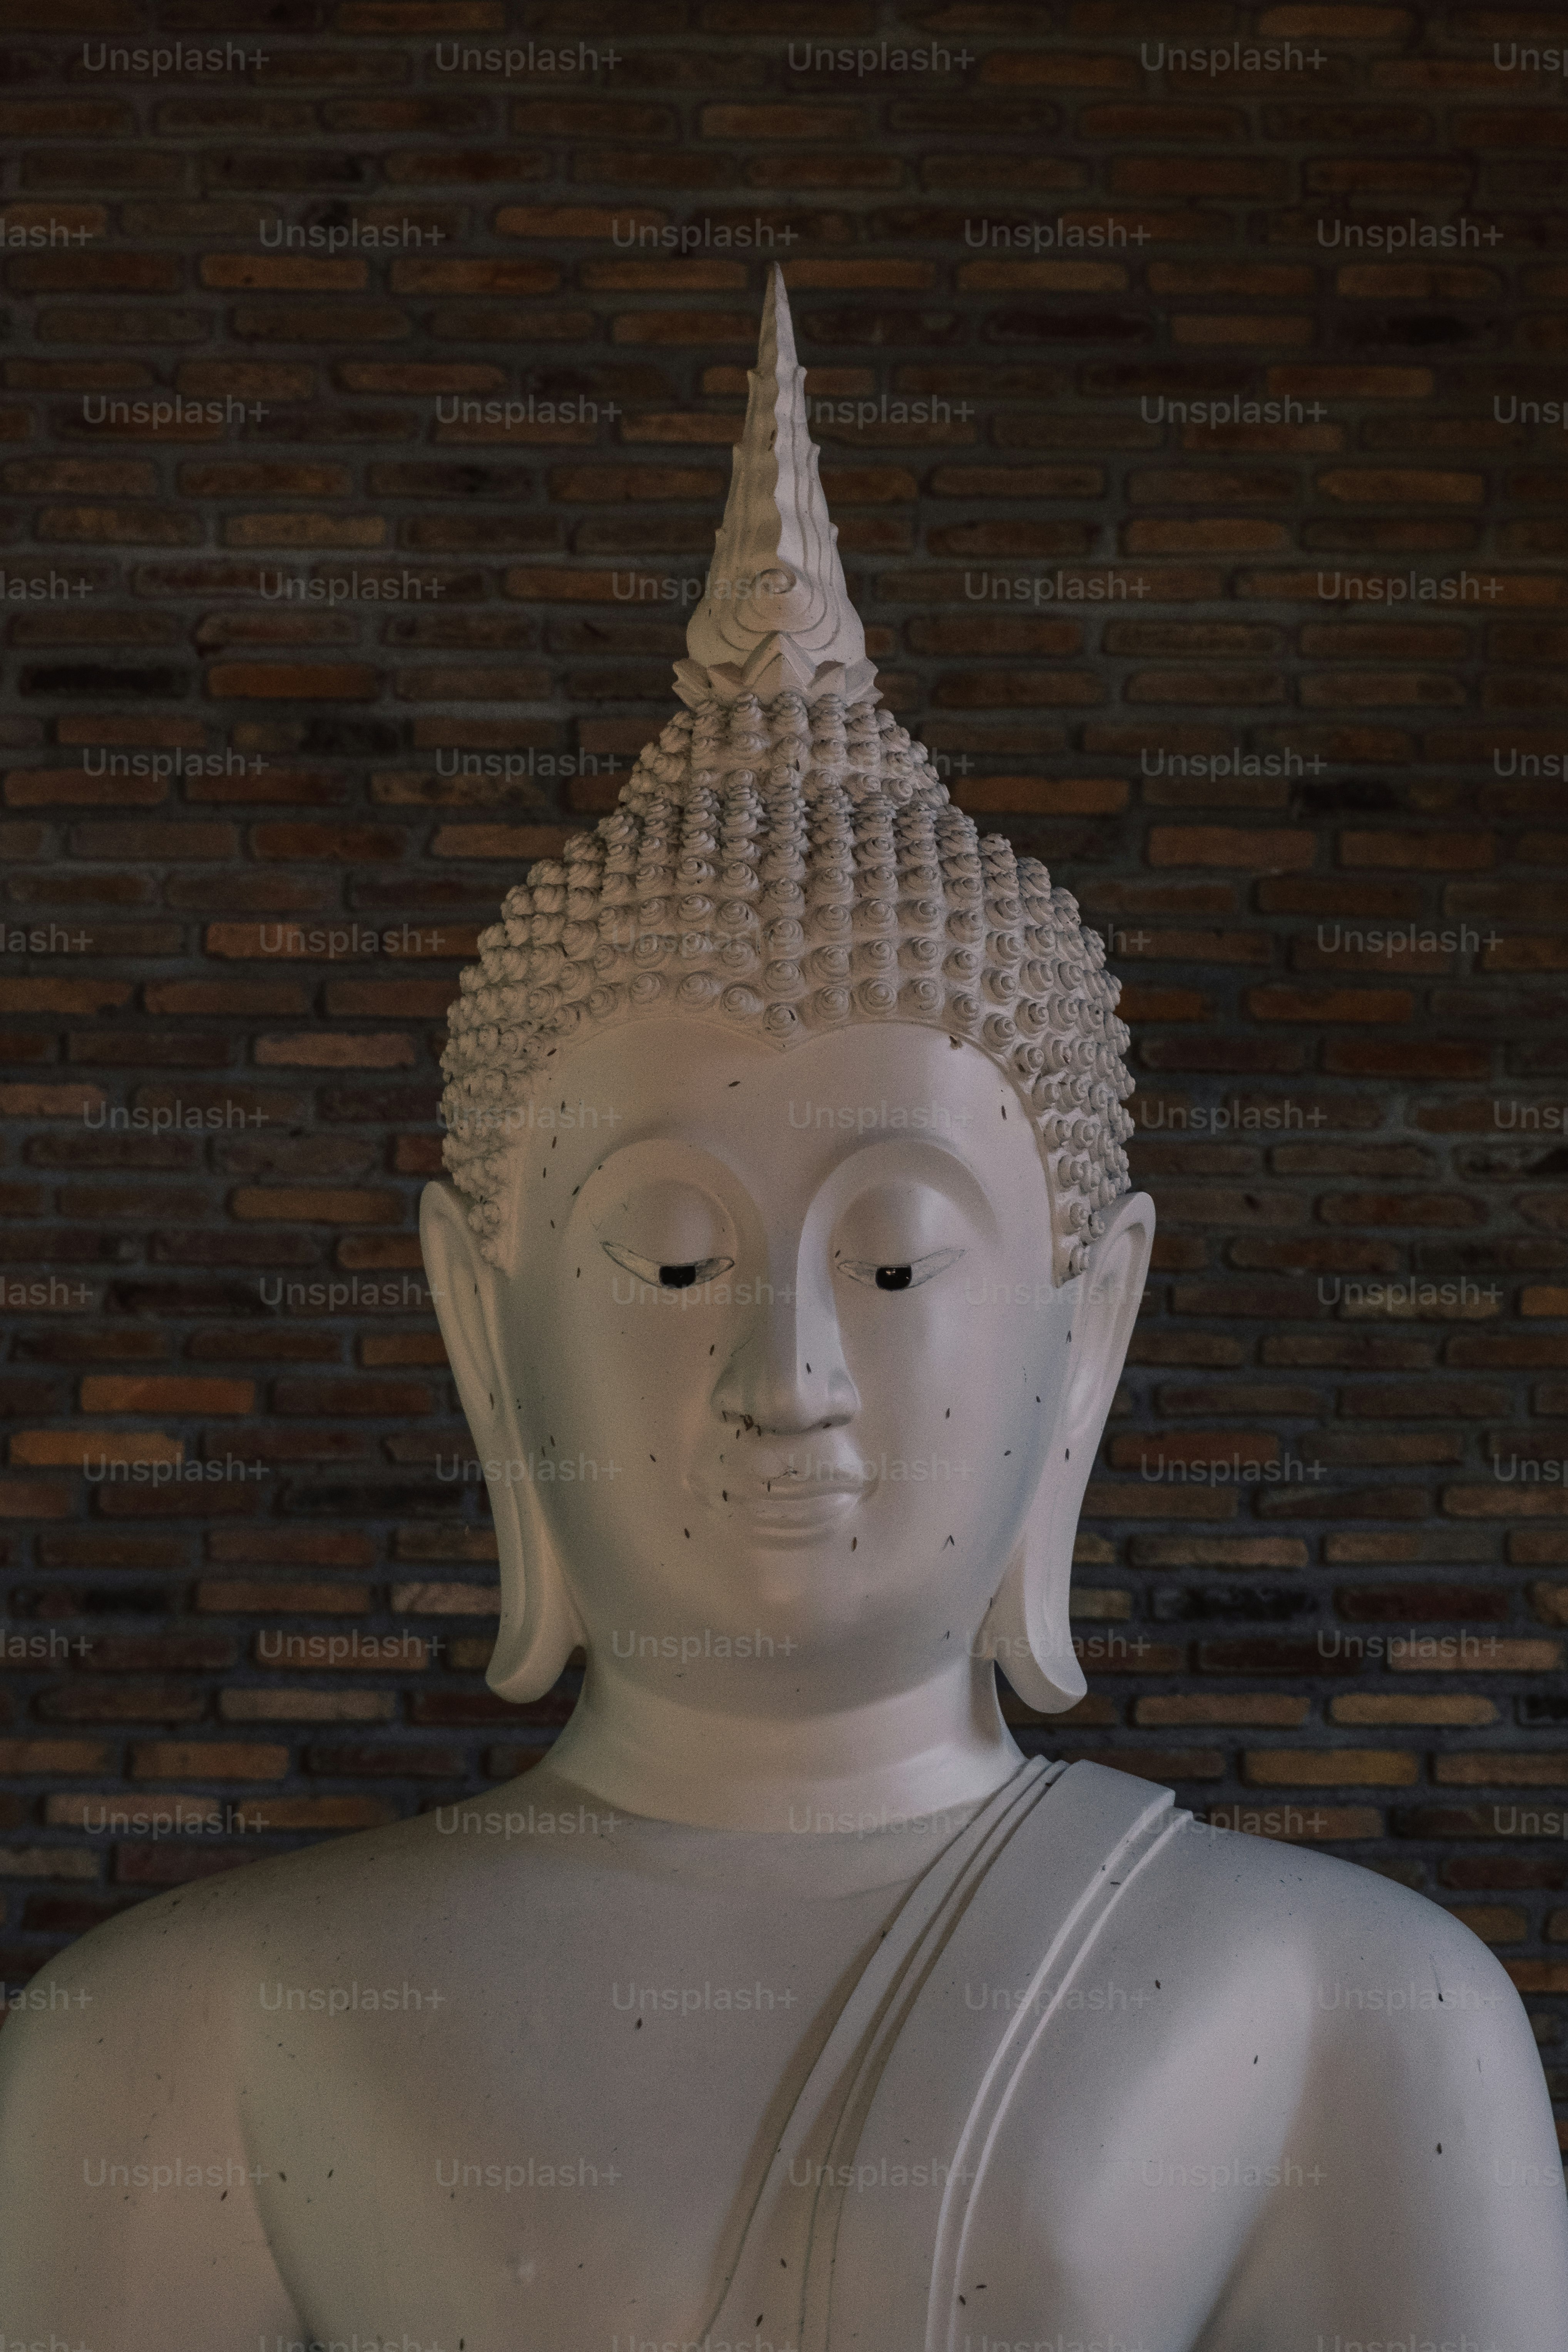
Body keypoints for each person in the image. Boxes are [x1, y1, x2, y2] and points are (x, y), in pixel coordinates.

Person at [2, 267, 1562, 2352]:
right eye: (669, 1259)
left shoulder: (1353, 2016)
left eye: (901, 1262)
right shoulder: (200, 2033)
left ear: (1086, 1337)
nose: (788, 1377)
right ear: (481, 1325)